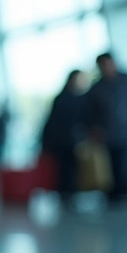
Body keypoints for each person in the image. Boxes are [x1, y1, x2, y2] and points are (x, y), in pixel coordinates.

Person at [84, 53, 127, 199]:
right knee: (109, 166)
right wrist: (95, 129)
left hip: (126, 131)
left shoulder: (126, 80)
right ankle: (114, 195)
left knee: (126, 164)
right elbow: (91, 112)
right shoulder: (97, 87)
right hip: (106, 134)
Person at [41, 70, 89, 198]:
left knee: (69, 169)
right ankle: (66, 192)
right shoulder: (68, 99)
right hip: (64, 140)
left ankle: (67, 192)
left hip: (70, 140)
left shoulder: (73, 99)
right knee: (64, 169)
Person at [0, 101, 11, 168]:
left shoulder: (3, 117)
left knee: (1, 158)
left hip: (2, 140)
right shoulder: (0, 118)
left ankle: (1, 170)